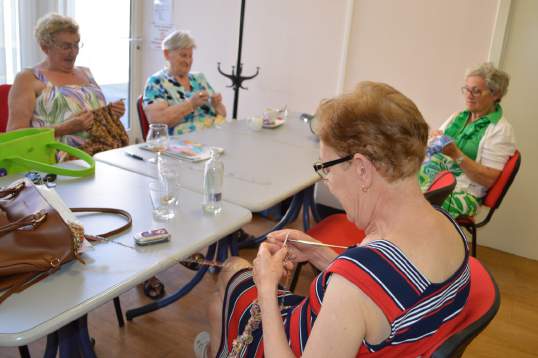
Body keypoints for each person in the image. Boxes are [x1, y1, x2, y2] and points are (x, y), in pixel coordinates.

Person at [195, 82, 471, 357]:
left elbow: (360, 289)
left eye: (327, 168)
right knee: (227, 287)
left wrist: (267, 289)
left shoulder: (354, 284)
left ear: (362, 169)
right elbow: (378, 293)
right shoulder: (449, 227)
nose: (328, 182)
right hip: (331, 331)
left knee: (231, 270)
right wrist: (319, 253)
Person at [6, 13, 125, 157]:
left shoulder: (86, 73)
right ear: (45, 47)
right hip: (54, 163)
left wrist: (111, 113)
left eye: (76, 44)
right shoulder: (28, 79)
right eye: (66, 46)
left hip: (101, 155)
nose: (73, 52)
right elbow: (15, 136)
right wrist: (63, 129)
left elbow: (95, 115)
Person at [419, 62, 516, 218]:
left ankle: (410, 241)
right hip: (433, 178)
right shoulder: (458, 116)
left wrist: (456, 154)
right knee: (395, 184)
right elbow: (436, 144)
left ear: (496, 94)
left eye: (476, 91)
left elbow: (488, 180)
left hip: (463, 191)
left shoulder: (501, 130)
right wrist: (434, 138)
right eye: (467, 89)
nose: (469, 95)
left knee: (414, 203)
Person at [142, 30, 226, 136]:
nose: (188, 61)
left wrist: (217, 104)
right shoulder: (156, 82)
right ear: (167, 54)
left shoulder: (199, 79)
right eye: (183, 55)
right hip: (182, 146)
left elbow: (223, 115)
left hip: (214, 136)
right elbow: (157, 122)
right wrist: (190, 104)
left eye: (190, 56)